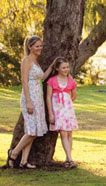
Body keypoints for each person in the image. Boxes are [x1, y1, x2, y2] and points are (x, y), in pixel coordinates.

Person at [7, 36, 55, 168]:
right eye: (37, 46)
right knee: (32, 131)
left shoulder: (36, 61)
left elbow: (43, 77)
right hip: (30, 98)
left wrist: (52, 66)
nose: (40, 48)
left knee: (34, 129)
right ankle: (14, 153)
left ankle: (24, 161)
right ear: (30, 47)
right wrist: (28, 101)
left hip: (38, 97)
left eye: (41, 46)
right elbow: (24, 81)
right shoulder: (26, 61)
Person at [46, 57, 78, 168]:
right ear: (57, 68)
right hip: (57, 110)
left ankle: (68, 159)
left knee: (69, 133)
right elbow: (48, 98)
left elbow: (74, 96)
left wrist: (65, 100)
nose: (66, 69)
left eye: (67, 67)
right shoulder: (52, 81)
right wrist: (51, 113)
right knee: (63, 133)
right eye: (63, 67)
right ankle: (70, 159)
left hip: (68, 110)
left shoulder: (71, 81)